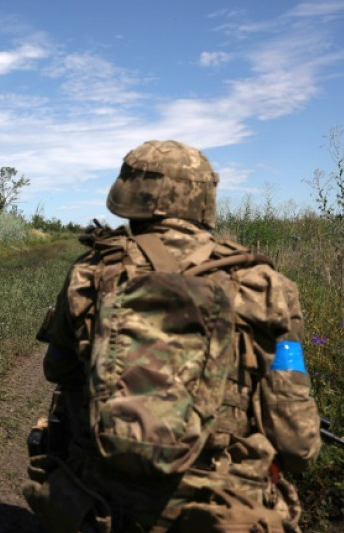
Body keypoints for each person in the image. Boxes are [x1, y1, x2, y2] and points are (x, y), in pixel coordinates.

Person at [23, 140, 321, 533]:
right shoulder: (267, 287)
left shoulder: (92, 271)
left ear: (130, 193)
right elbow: (296, 442)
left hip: (100, 504)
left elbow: (58, 370)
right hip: (217, 512)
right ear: (203, 199)